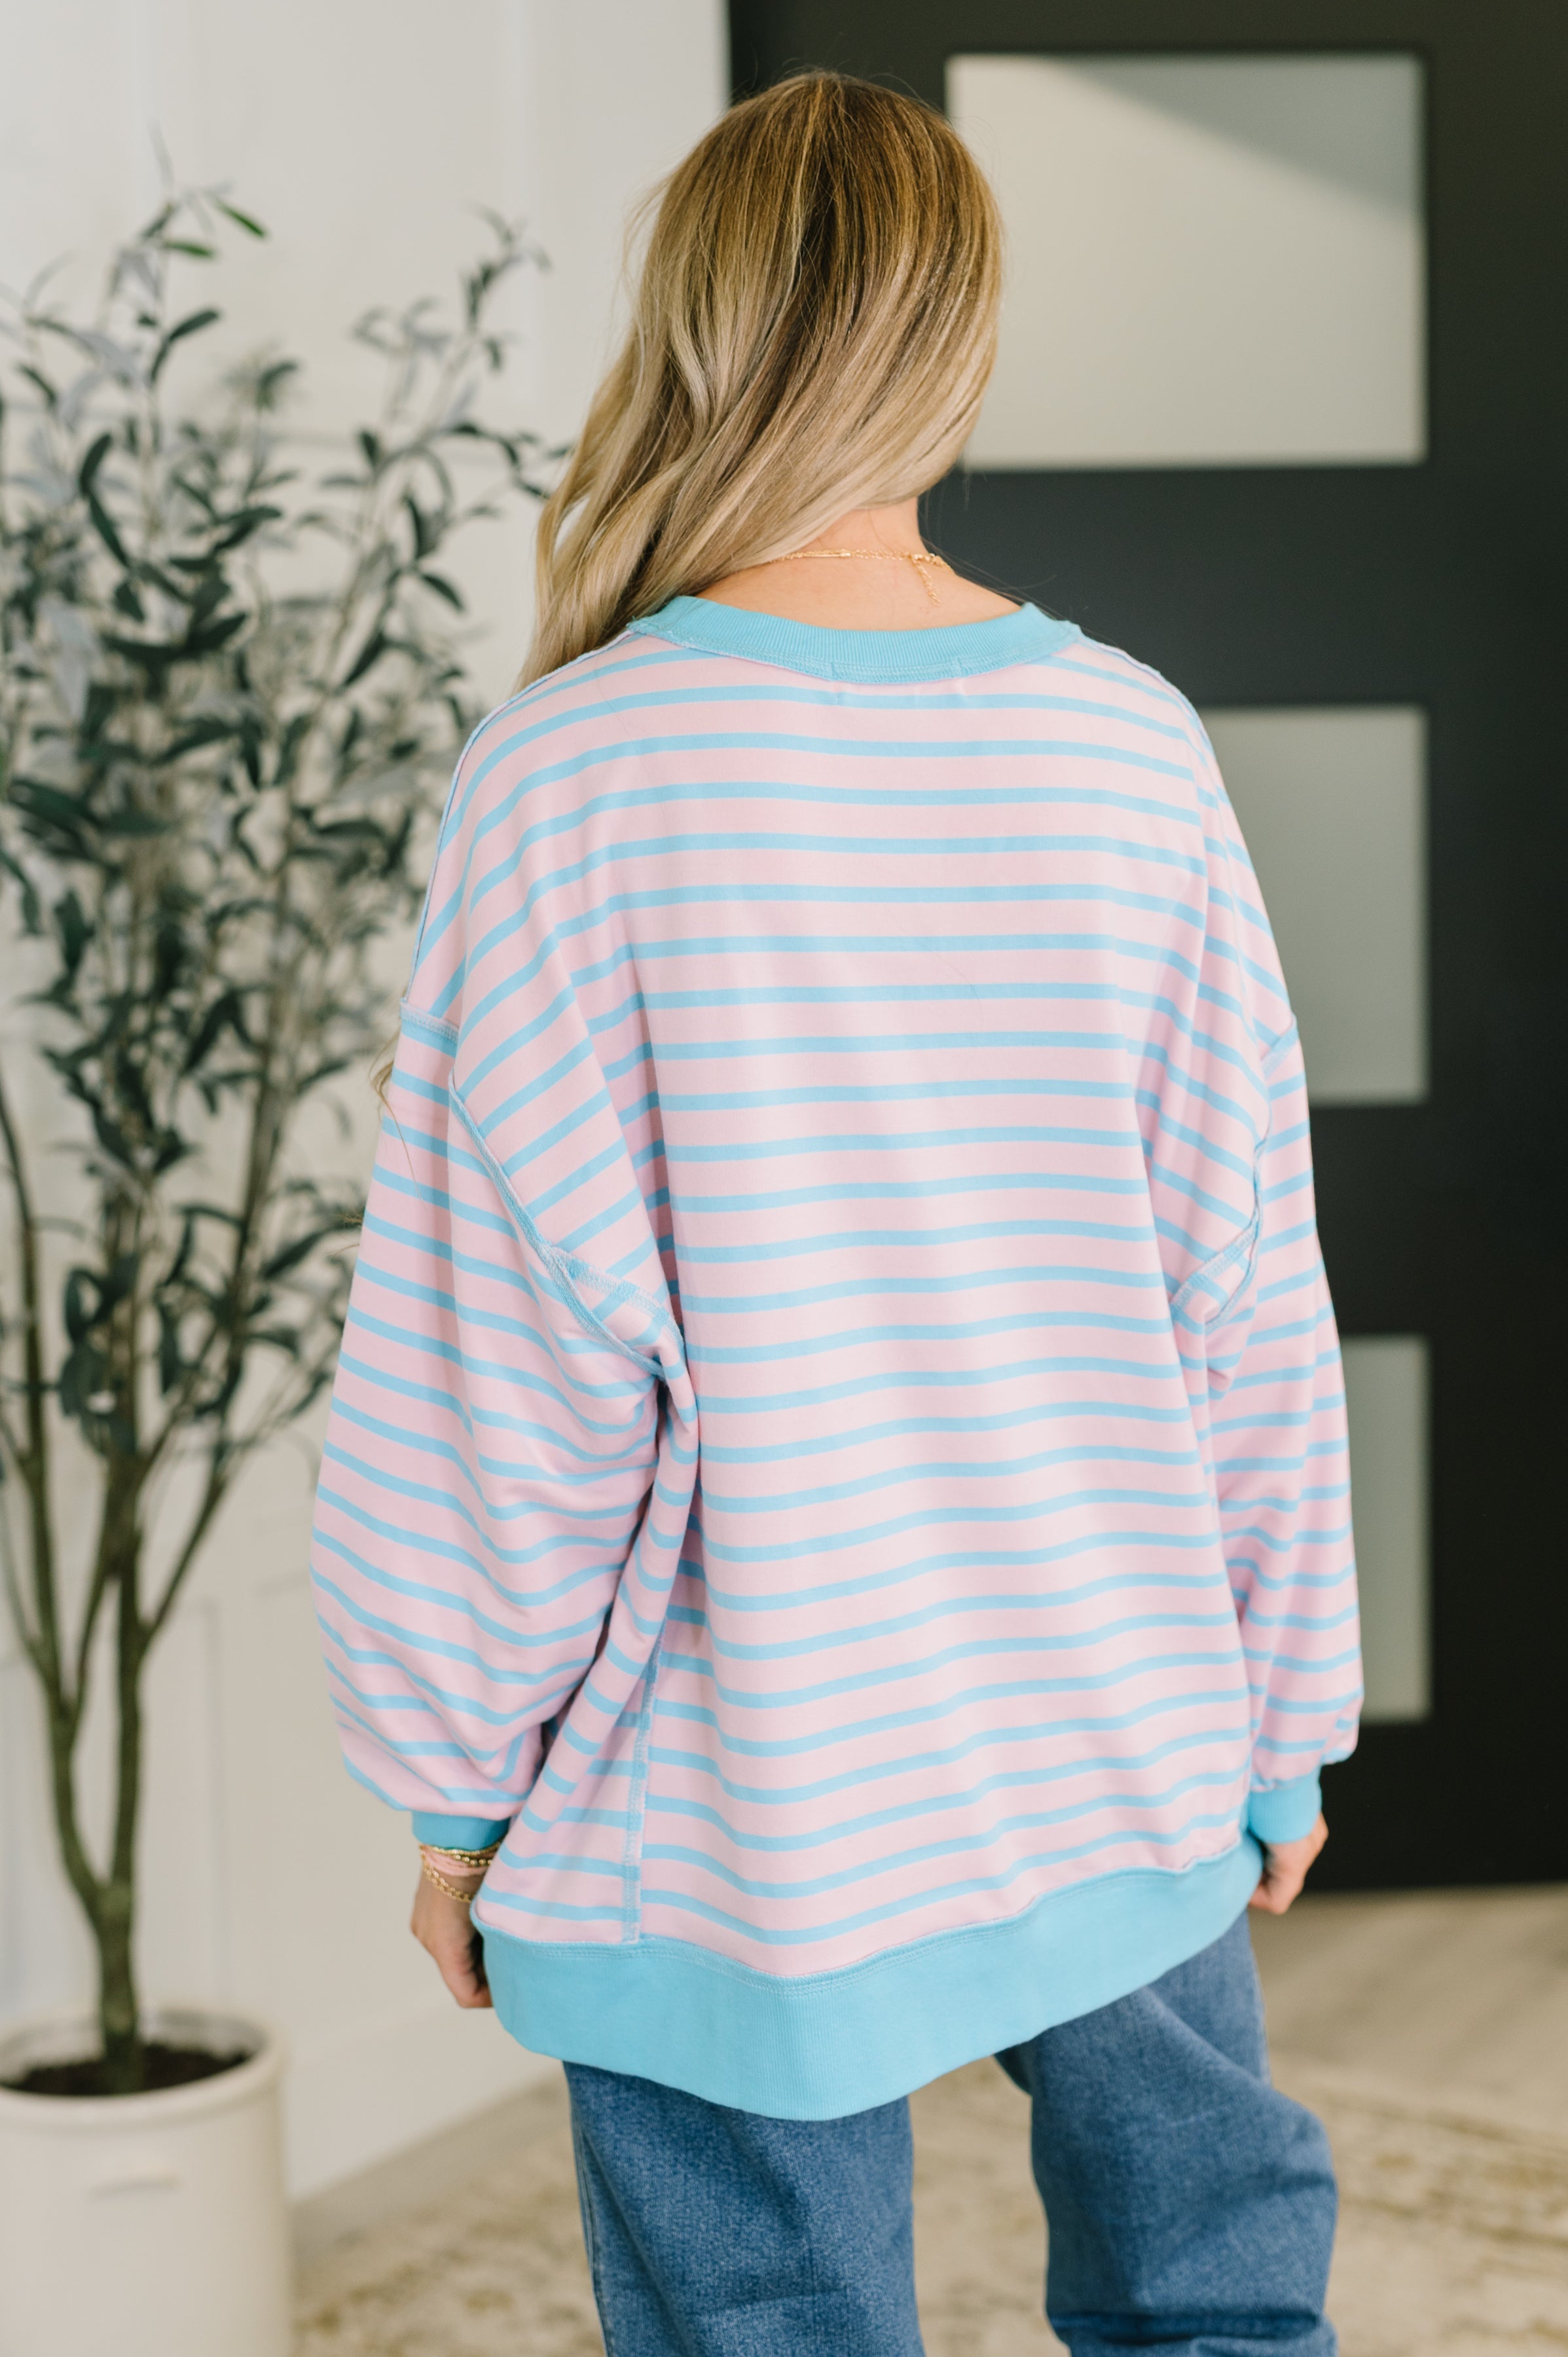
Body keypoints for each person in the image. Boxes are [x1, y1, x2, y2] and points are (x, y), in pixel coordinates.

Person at [310, 70, 1360, 2355]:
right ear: (956, 347)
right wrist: (1277, 1712)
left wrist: (460, 1786)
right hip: (1113, 1719)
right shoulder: (1126, 744)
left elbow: (505, 1367)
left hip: (742, 1795)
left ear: (685, 329)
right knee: (1219, 2295)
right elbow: (1240, 1284)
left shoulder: (571, 777)